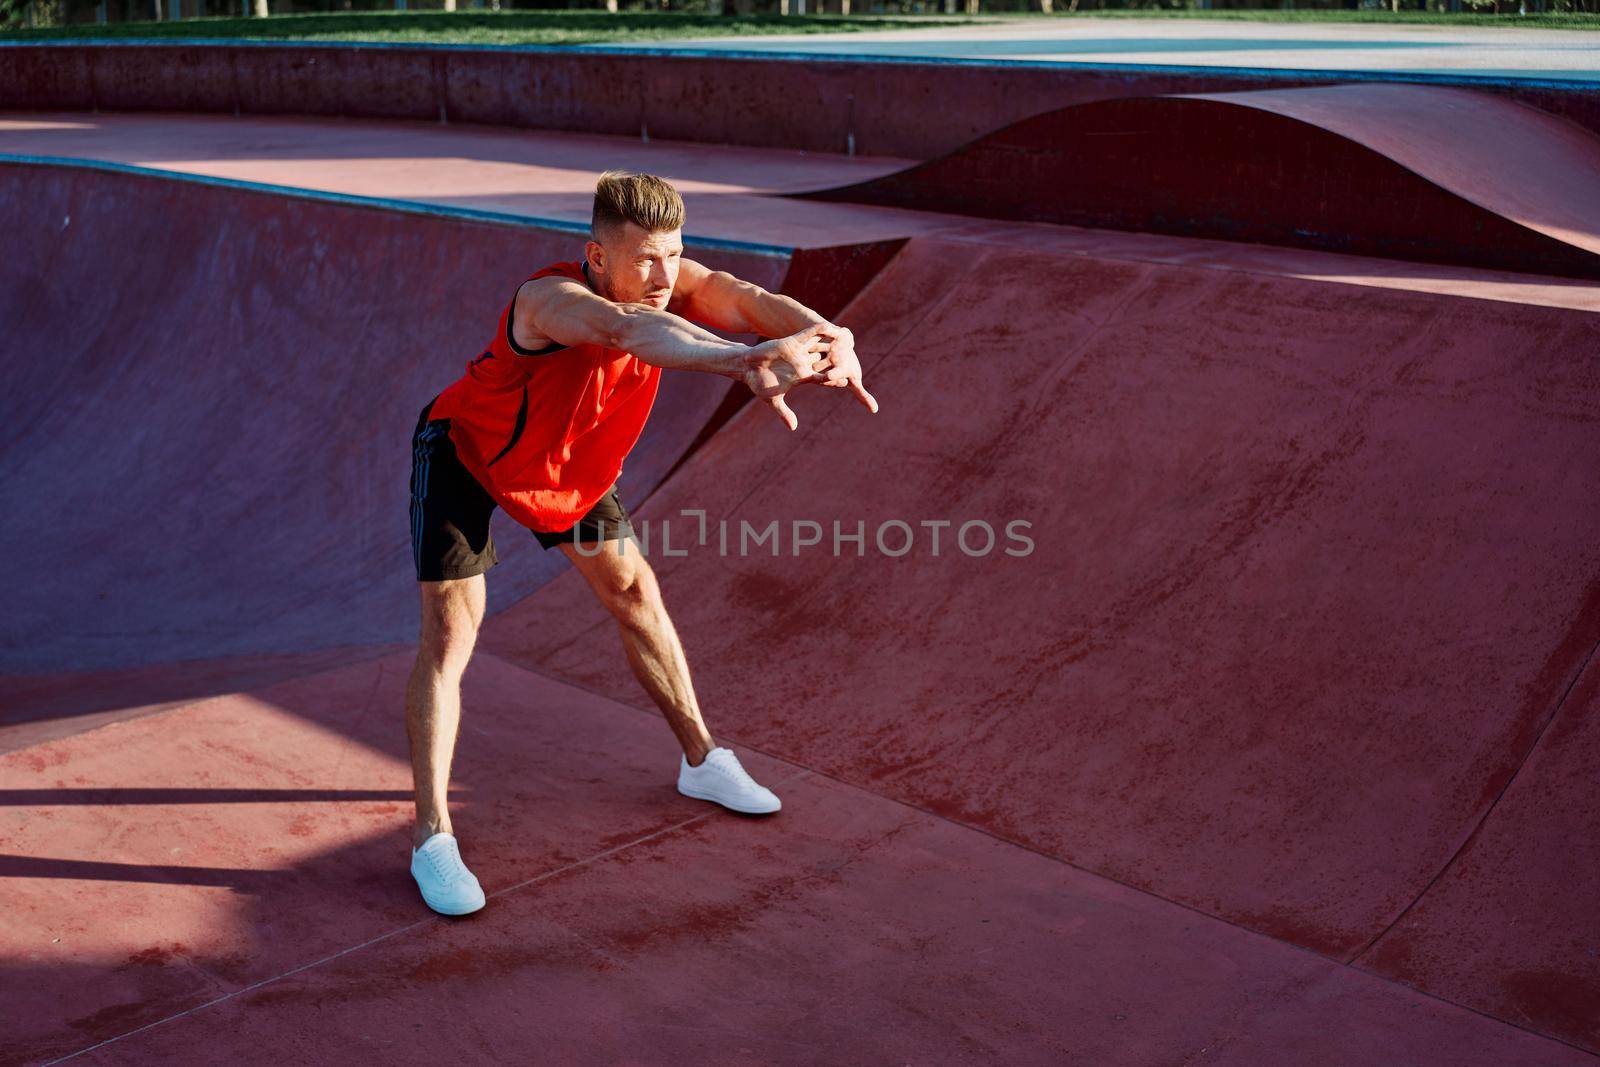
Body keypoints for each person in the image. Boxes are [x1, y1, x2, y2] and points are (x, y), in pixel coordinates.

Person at [405, 169, 878, 915]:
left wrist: (825, 334)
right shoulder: (549, 301)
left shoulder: (672, 277)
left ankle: (702, 759)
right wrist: (741, 360)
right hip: (468, 453)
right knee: (450, 633)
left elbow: (747, 300)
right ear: (596, 257)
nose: (663, 275)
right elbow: (635, 333)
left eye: (673, 253)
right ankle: (432, 835)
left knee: (635, 595)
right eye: (644, 259)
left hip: (571, 469)